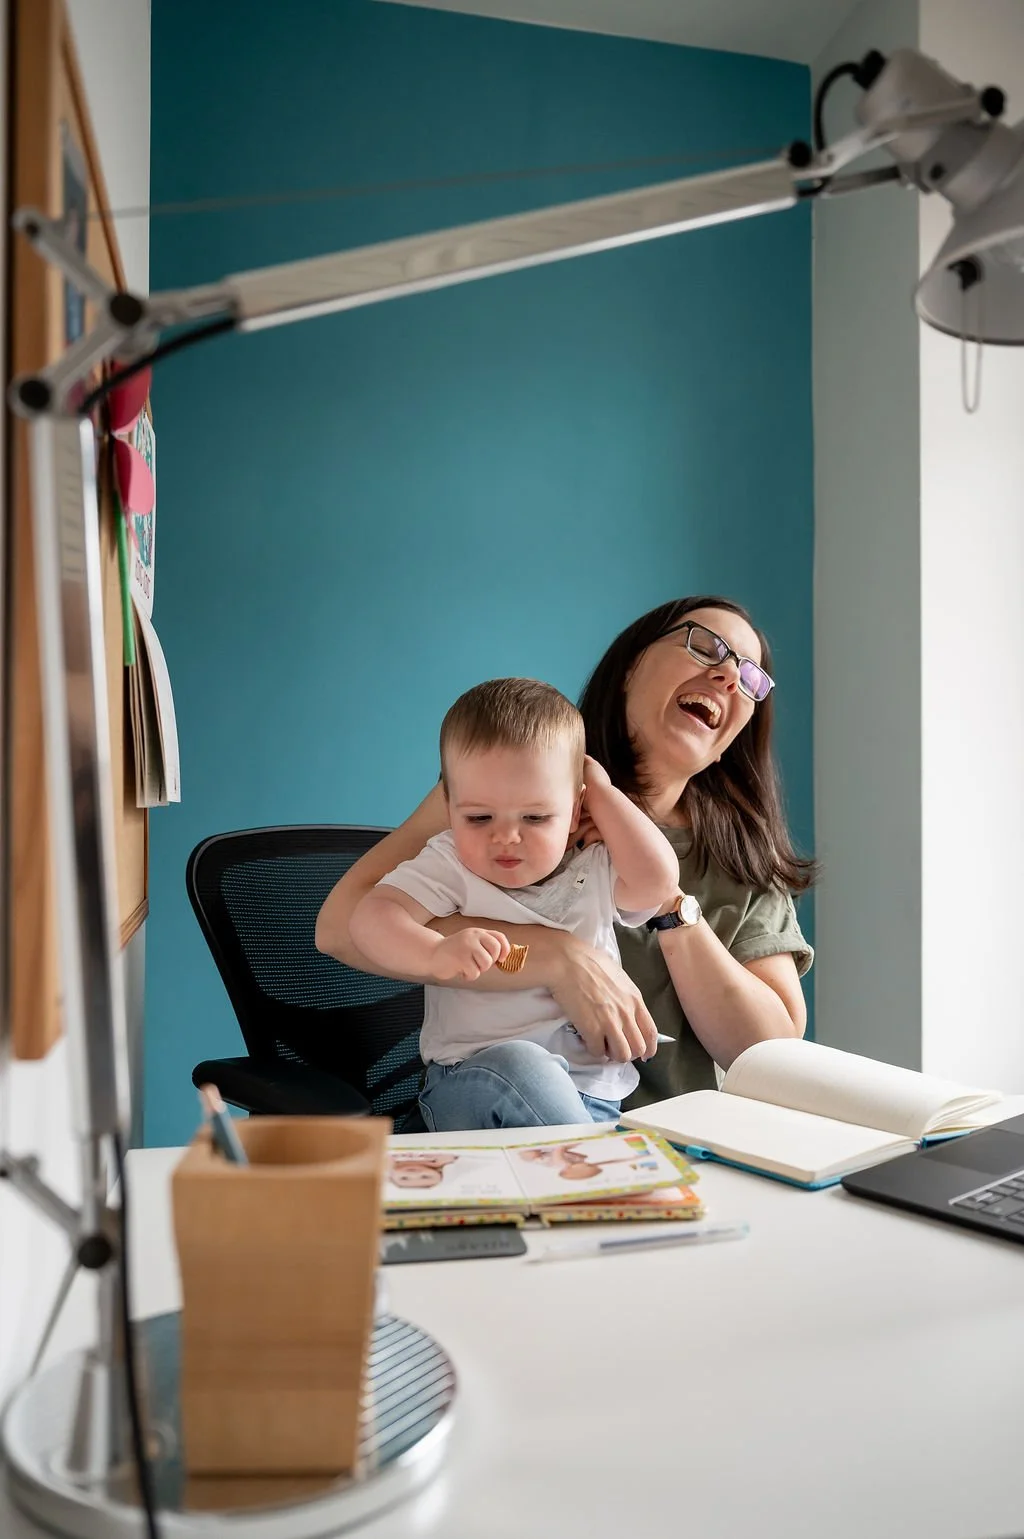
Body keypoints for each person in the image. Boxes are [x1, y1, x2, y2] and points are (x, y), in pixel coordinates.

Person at [316, 595, 814, 1116]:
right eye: (707, 647)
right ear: (629, 667)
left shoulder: (743, 859)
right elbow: (342, 927)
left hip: (680, 1145)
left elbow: (768, 1054)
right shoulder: (511, 778)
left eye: (751, 677)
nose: (730, 677)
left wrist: (672, 908)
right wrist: (558, 959)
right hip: (514, 1117)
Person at [348, 678, 680, 1130]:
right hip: (470, 1087)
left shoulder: (595, 864)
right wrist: (431, 953)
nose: (505, 836)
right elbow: (371, 916)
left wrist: (602, 792)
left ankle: (587, 1173)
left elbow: (659, 883)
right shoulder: (449, 863)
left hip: (589, 1098)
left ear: (576, 808)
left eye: (536, 817)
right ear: (448, 807)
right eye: (479, 817)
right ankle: (599, 1177)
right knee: (523, 1064)